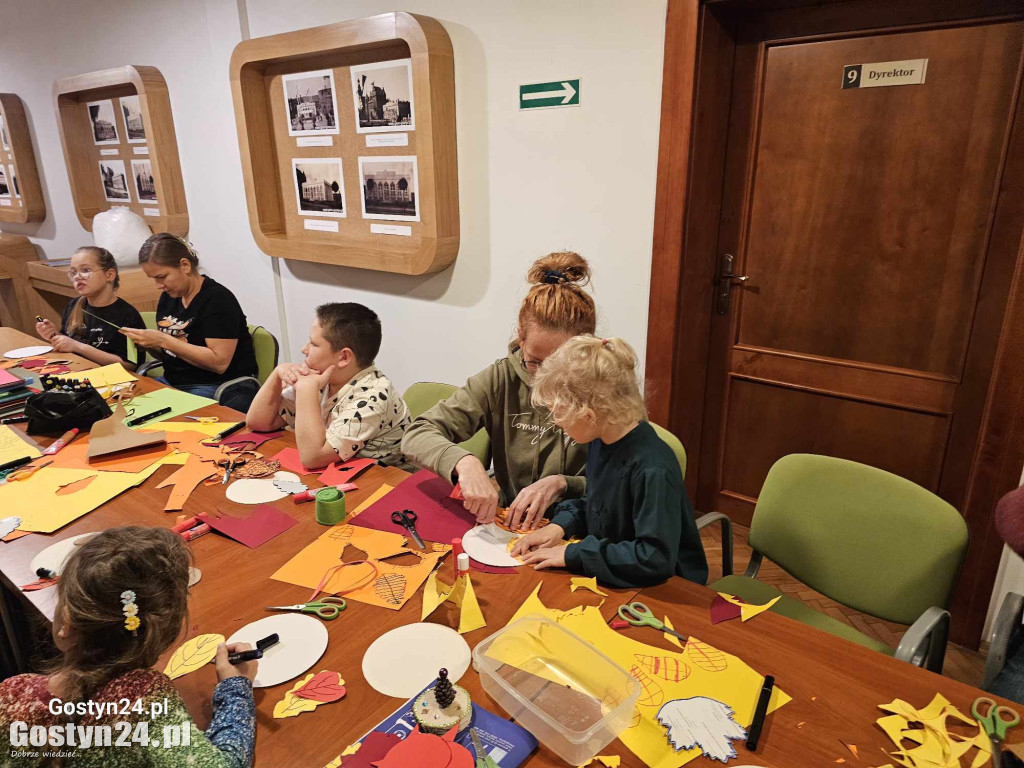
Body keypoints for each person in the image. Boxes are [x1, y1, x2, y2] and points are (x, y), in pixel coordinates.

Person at [0, 526, 257, 767]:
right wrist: (236, 689)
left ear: (66, 621)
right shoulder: (141, 701)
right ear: (164, 634)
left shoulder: (10, 695)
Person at [402, 252, 596, 530]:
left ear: (585, 347)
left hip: (581, 530)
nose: (544, 379)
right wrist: (464, 462)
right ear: (521, 337)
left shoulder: (606, 387)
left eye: (559, 364)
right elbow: (417, 434)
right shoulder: (501, 377)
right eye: (535, 362)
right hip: (512, 525)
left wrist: (564, 484)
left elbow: (629, 483)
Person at [510, 335, 709, 589]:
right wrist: (560, 527)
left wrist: (574, 554)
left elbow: (654, 559)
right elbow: (599, 506)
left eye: (557, 413)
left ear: (589, 414)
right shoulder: (601, 439)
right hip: (617, 570)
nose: (556, 422)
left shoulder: (653, 468)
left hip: (668, 588)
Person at [246, 302, 411, 469]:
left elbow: (312, 458)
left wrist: (306, 390)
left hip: (382, 482)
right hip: (337, 472)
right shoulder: (323, 377)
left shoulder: (373, 398)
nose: (304, 349)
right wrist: (277, 374)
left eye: (314, 344)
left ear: (344, 357)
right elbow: (258, 423)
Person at [123, 234, 258, 411]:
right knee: (124, 408)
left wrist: (163, 340)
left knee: (156, 421)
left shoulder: (217, 299)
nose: (158, 285)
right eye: (154, 279)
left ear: (185, 265)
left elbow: (219, 363)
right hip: (175, 382)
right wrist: (147, 344)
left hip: (218, 385)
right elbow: (170, 354)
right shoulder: (169, 297)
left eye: (162, 276)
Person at [34, 247, 145, 369]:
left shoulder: (127, 315)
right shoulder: (74, 305)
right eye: (73, 272)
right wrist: (54, 335)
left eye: (85, 270)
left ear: (109, 275)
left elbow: (130, 365)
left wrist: (78, 347)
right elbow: (69, 342)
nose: (77, 277)